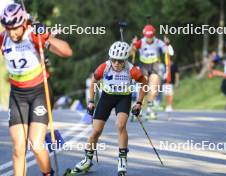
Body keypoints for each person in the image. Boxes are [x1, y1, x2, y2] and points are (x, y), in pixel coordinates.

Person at [0, 3, 72, 176]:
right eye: (8, 28)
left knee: (36, 144)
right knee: (18, 148)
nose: (12, 33)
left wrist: (46, 36)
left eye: (15, 28)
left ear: (24, 23)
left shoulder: (33, 35)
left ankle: (48, 173)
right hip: (18, 96)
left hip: (40, 92)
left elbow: (66, 52)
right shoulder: (3, 38)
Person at [66, 41, 147, 176]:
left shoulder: (132, 69)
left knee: (120, 125)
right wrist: (91, 101)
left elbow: (144, 83)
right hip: (106, 97)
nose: (116, 63)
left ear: (125, 60)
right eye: (114, 60)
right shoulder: (104, 66)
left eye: (120, 61)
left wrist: (139, 102)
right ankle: (87, 160)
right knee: (96, 131)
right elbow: (93, 81)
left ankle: (122, 159)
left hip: (123, 98)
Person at [132, 25, 174, 119]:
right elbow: (131, 52)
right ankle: (139, 108)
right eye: (148, 37)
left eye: (151, 37)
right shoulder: (141, 42)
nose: (149, 39)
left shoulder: (158, 41)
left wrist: (167, 44)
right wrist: (133, 45)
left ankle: (150, 110)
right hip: (144, 65)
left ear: (153, 35)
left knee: (153, 88)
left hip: (155, 65)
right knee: (143, 87)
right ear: (144, 35)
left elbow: (169, 52)